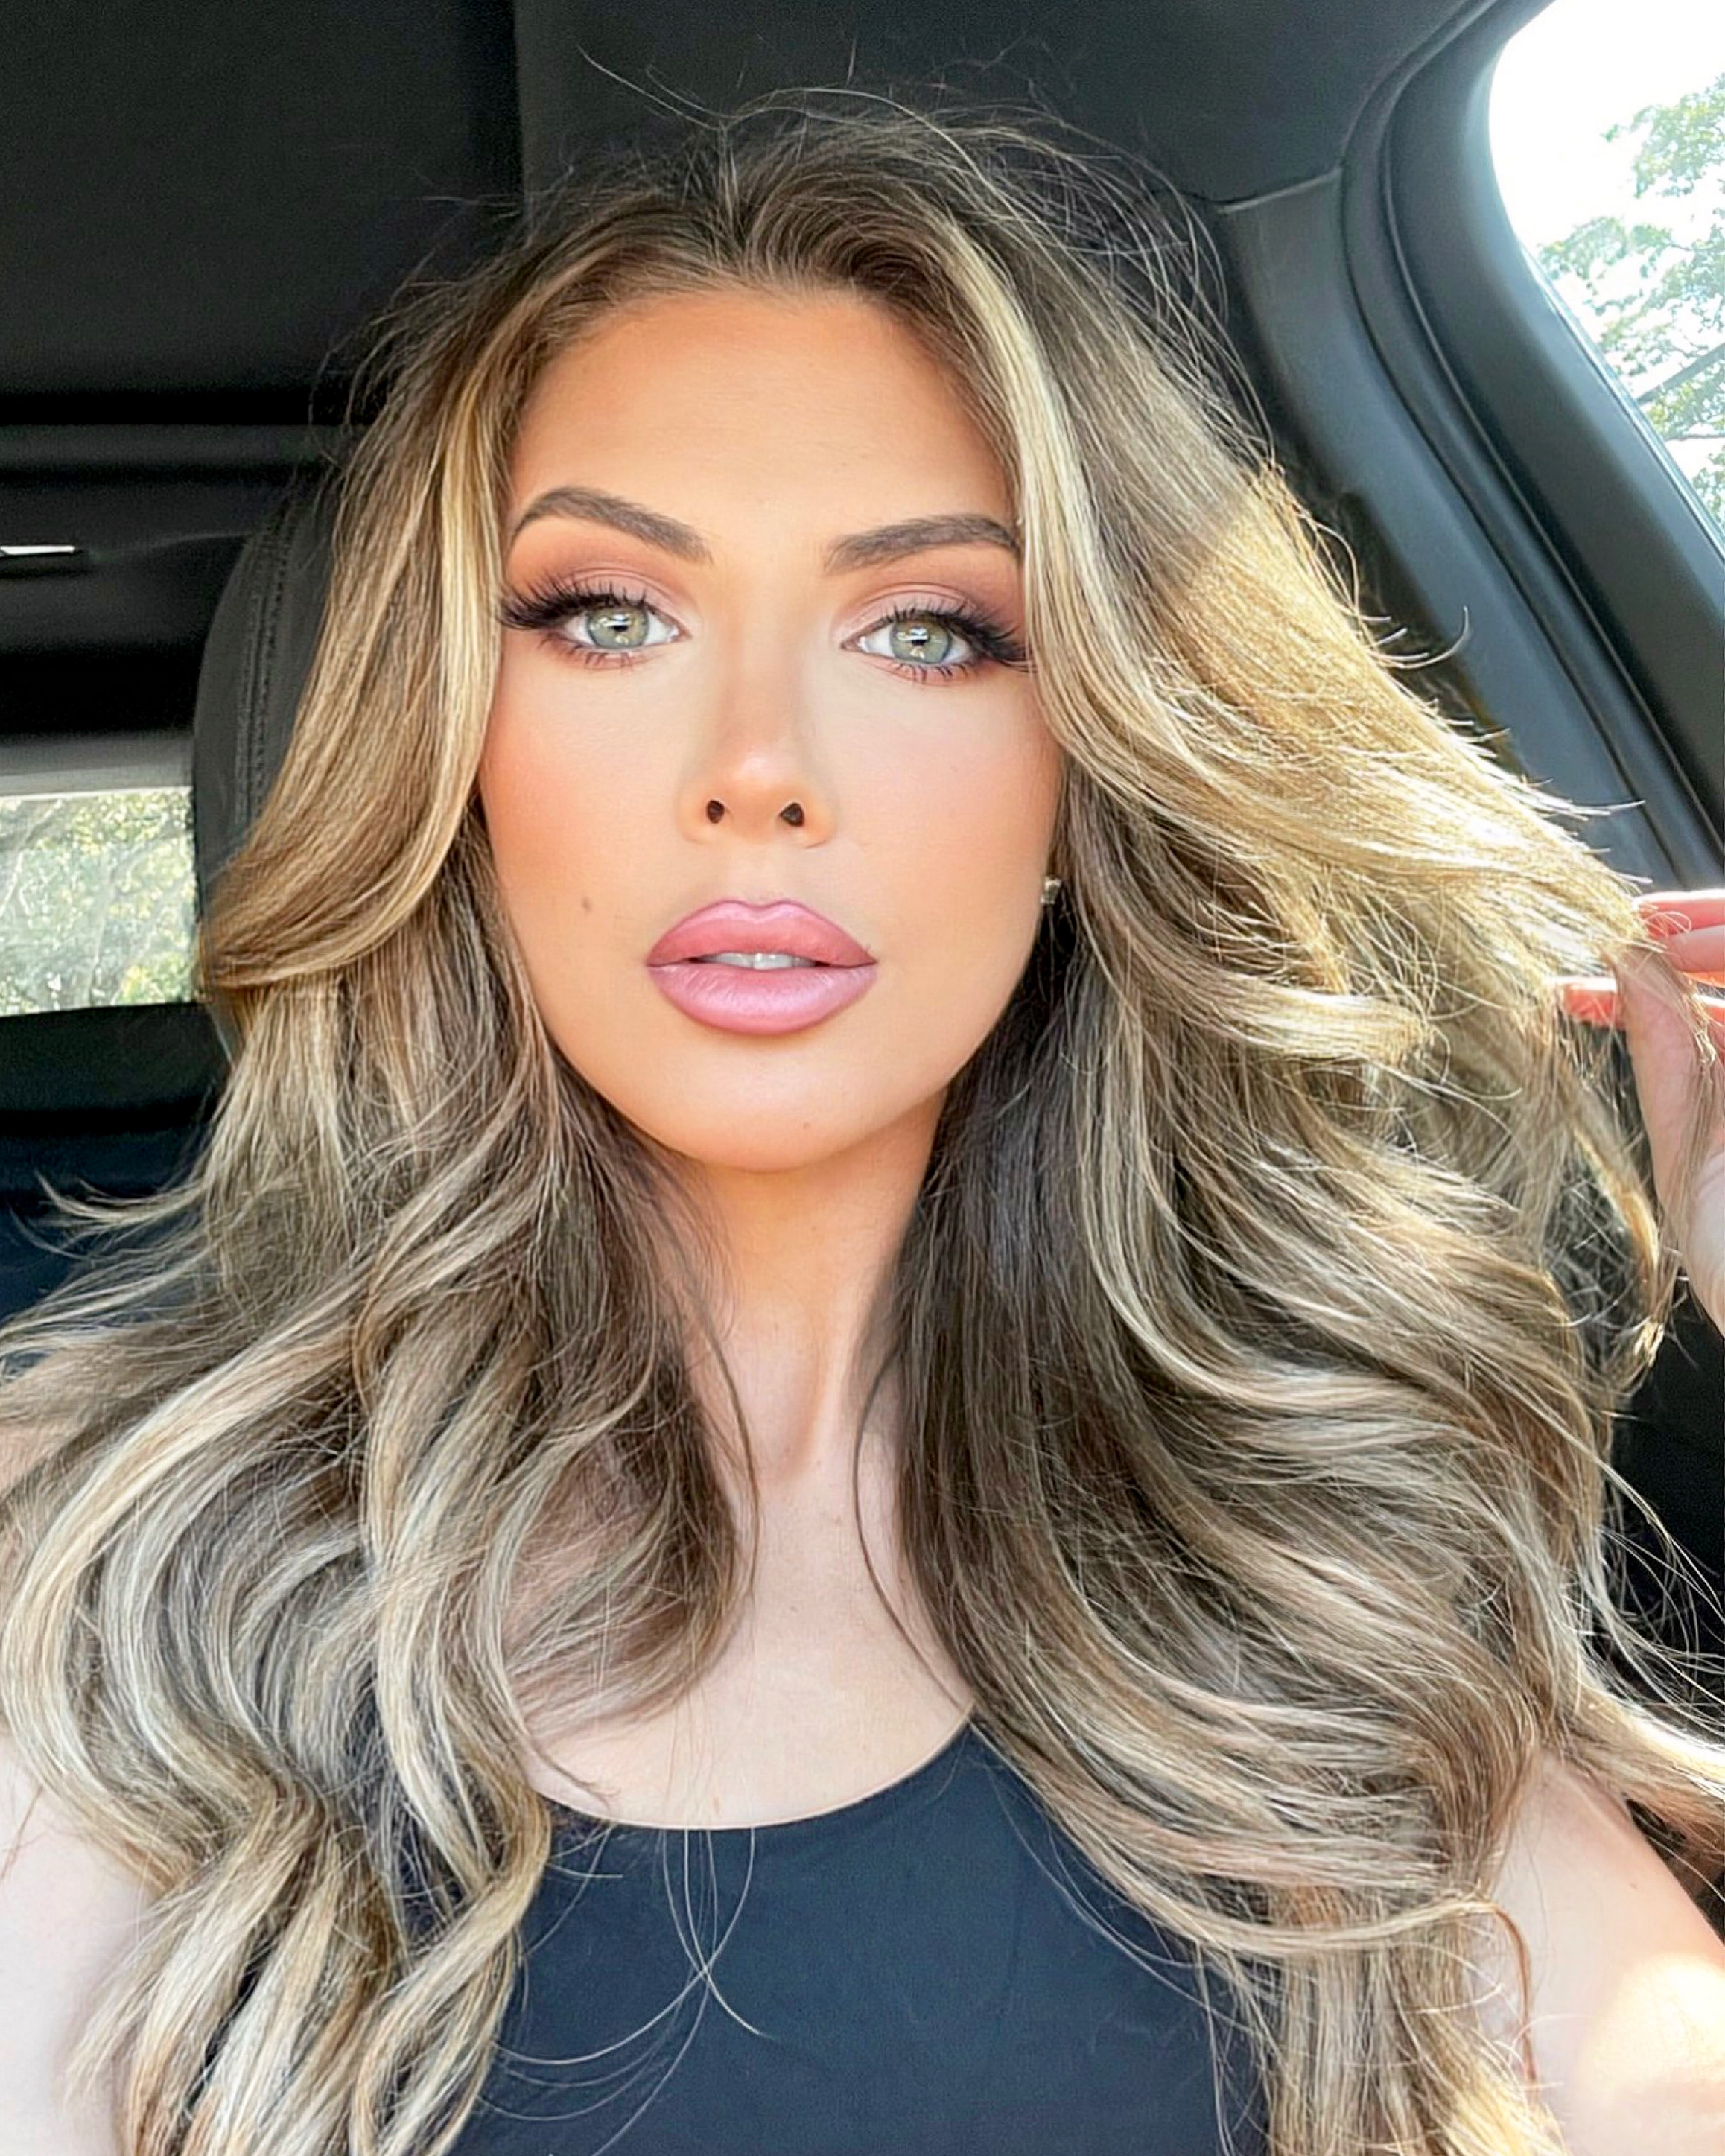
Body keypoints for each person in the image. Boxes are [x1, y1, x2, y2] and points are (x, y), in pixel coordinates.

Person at [1, 98, 1722, 2156]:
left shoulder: (1308, 1555)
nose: (758, 767)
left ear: (1088, 773)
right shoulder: (113, 1547)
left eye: (929, 631)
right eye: (609, 614)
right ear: (452, 744)